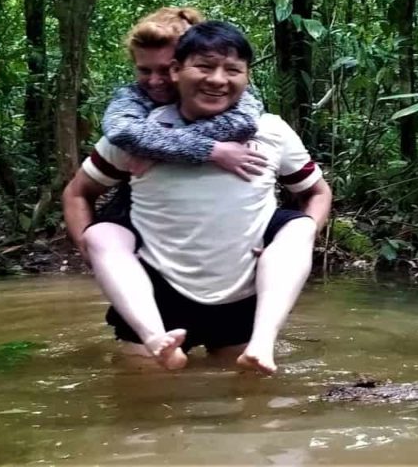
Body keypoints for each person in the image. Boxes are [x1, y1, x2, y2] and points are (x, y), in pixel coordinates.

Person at [63, 21, 332, 374]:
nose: (217, 80)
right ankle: (154, 337)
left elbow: (316, 191)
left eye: (232, 70)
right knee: (140, 407)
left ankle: (263, 340)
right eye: (204, 67)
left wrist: (293, 245)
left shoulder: (270, 130)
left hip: (241, 290)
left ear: (247, 77)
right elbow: (78, 192)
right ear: (178, 71)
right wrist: (94, 253)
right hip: (156, 292)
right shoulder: (137, 136)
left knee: (248, 399)